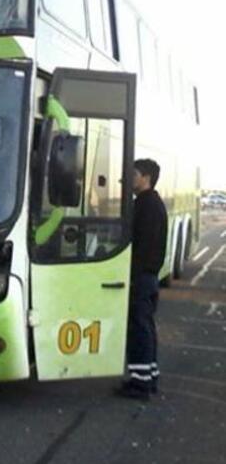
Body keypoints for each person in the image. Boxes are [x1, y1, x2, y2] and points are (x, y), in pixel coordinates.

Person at [115, 159, 168, 401]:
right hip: (147, 276)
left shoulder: (146, 207)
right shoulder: (151, 204)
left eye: (133, 174)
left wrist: (131, 276)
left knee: (139, 329)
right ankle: (148, 376)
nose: (127, 179)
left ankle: (140, 384)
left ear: (146, 177)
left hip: (141, 277)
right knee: (145, 326)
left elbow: (142, 247)